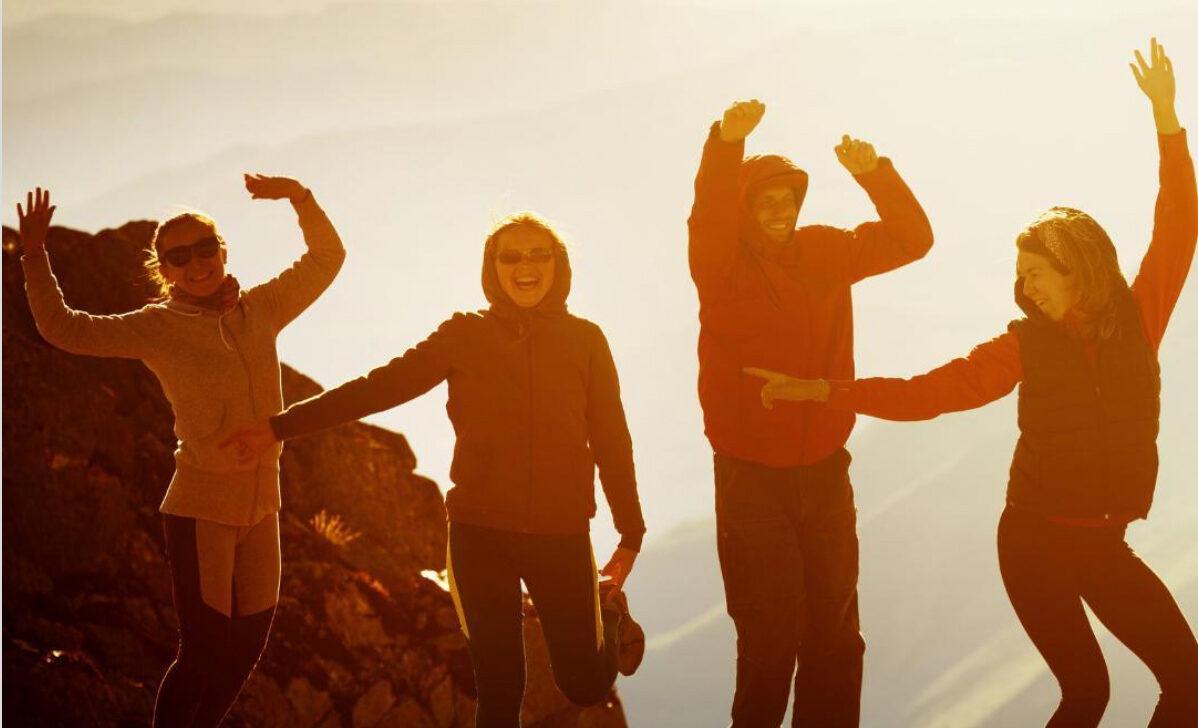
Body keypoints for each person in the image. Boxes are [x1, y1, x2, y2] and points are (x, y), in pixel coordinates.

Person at [746, 39, 1198, 728]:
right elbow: (933, 392)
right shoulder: (1023, 347)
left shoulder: (1140, 319)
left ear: (1078, 267)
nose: (1026, 286)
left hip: (1105, 545)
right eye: (1022, 274)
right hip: (1034, 546)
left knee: (1189, 684)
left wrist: (1167, 120)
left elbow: (1180, 222)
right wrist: (826, 391)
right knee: (1088, 694)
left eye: (1037, 271)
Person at [221, 212, 647, 728]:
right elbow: (379, 386)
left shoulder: (586, 340)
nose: (526, 266)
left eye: (540, 254)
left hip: (561, 534)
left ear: (560, 265)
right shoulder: (464, 334)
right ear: (492, 268)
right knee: (499, 686)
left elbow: (611, 438)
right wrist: (278, 427)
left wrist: (630, 534)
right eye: (511, 255)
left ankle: (609, 614)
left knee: (585, 684)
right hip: (478, 533)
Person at [16, 176, 346, 728]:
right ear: (163, 269)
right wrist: (32, 255)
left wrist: (301, 198)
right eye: (178, 256)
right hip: (200, 510)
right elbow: (62, 328)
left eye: (205, 249)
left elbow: (327, 256)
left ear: (222, 251)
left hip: (263, 507)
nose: (196, 264)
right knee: (203, 654)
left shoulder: (261, 310)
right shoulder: (157, 328)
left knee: (244, 651)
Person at [688, 99, 933, 727]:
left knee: (835, 638)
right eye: (762, 200)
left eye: (787, 197)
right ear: (743, 208)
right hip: (751, 480)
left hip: (825, 471)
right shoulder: (721, 267)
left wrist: (875, 173)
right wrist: (725, 146)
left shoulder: (825, 252)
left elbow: (914, 240)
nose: (777, 210)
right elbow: (707, 219)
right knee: (769, 645)